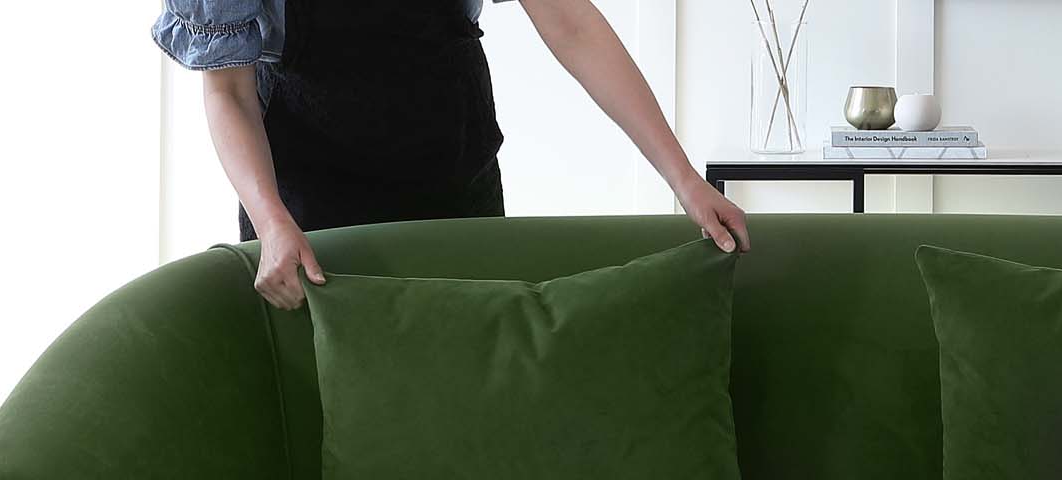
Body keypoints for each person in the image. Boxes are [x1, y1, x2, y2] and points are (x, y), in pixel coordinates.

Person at [155, 0, 750, 309]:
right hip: (307, 209)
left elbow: (572, 24)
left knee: (467, 411)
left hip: (454, 186)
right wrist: (271, 219)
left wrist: (684, 180)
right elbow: (227, 91)